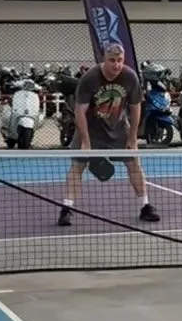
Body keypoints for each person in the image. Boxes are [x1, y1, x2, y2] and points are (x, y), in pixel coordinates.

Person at [57, 42, 160, 226]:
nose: (116, 65)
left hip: (118, 127)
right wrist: (86, 143)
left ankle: (145, 207)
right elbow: (80, 112)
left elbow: (135, 108)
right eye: (112, 60)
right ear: (104, 59)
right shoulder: (90, 78)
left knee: (134, 162)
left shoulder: (130, 77)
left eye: (120, 60)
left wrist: (133, 138)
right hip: (89, 127)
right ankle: (66, 209)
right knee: (77, 166)